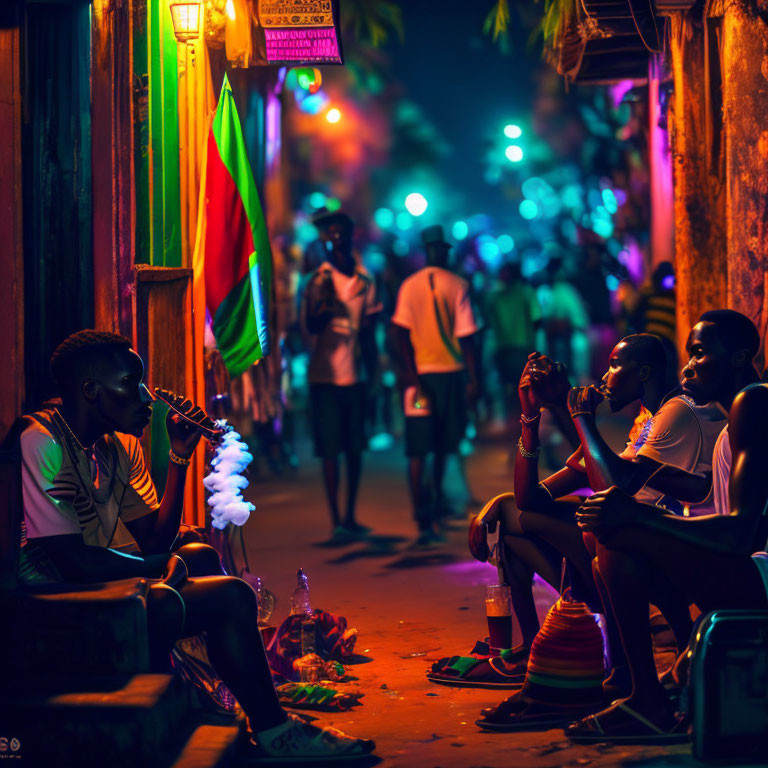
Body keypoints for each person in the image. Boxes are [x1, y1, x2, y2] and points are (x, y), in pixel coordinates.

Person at [18, 330, 374, 763]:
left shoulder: (112, 446)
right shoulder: (42, 441)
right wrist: (162, 565)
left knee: (200, 555)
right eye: (131, 384)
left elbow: (153, 537)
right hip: (52, 603)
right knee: (231, 596)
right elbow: (72, 562)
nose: (147, 398)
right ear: (90, 390)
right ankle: (273, 728)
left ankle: (235, 706)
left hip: (97, 586)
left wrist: (180, 456)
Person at [471, 334, 724, 681]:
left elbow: (610, 487)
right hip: (630, 531)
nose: (604, 378)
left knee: (534, 521)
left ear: (644, 373)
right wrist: (531, 417)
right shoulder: (648, 417)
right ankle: (533, 652)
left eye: (614, 366)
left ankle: (619, 671)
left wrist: (577, 415)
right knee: (517, 528)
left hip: (654, 546)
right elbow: (538, 493)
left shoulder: (677, 413)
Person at [568, 309, 768, 743]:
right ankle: (643, 685)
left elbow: (740, 534)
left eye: (699, 353)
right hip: (750, 566)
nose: (688, 366)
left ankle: (645, 698)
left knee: (620, 532)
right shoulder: (736, 410)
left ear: (738, 358)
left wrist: (643, 518)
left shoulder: (753, 402)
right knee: (617, 526)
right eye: (687, 355)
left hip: (759, 574)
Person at [391, 225, 479, 547]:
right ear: (443, 251)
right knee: (443, 445)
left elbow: (399, 333)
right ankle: (434, 511)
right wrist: (474, 378)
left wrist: (411, 377)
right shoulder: (458, 284)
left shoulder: (408, 286)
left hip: (419, 381)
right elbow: (468, 337)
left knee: (419, 449)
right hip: (450, 376)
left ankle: (423, 517)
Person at [300, 211, 379, 543]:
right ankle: (337, 519)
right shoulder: (315, 280)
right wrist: (322, 312)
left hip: (355, 376)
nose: (337, 239)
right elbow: (306, 328)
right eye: (330, 234)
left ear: (351, 236)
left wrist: (375, 375)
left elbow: (370, 332)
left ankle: (350, 514)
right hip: (324, 377)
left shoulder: (365, 280)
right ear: (324, 240)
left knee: (354, 449)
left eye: (341, 233)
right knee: (331, 449)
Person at [485, 262, 542, 426]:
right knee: (525, 389)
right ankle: (525, 426)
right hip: (523, 348)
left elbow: (487, 321)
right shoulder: (527, 293)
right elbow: (537, 319)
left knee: (506, 388)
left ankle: (510, 424)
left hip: (502, 348)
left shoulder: (493, 297)